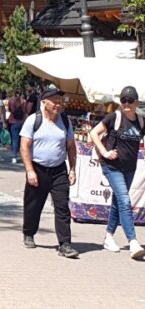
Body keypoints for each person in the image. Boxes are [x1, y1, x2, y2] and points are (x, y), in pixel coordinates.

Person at [20, 88, 79, 258]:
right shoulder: (34, 120)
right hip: (38, 168)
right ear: (44, 102)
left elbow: (71, 147)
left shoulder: (65, 121)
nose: (58, 104)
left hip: (59, 169)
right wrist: (30, 170)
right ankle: (29, 233)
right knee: (33, 204)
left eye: (60, 100)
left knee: (62, 206)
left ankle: (65, 244)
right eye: (54, 100)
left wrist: (73, 169)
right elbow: (24, 146)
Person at [89, 86, 145, 260]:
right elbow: (93, 133)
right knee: (125, 200)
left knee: (117, 201)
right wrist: (105, 153)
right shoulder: (115, 117)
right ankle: (133, 242)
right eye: (123, 101)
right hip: (112, 167)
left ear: (136, 102)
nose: (126, 104)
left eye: (130, 100)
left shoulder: (142, 121)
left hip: (129, 167)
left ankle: (108, 236)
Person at [7, 90, 26, 164]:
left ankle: (14, 156)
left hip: (13, 121)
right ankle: (22, 156)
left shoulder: (11, 101)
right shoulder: (23, 101)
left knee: (14, 139)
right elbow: (25, 110)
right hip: (22, 121)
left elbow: (9, 110)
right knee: (22, 140)